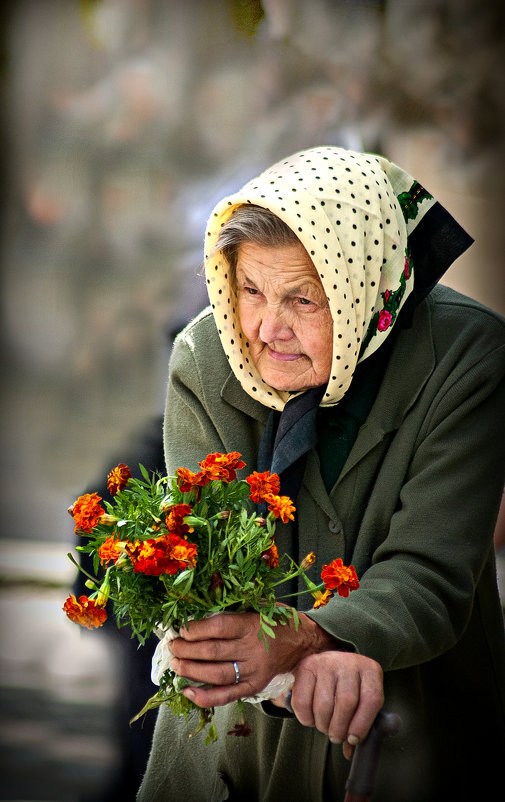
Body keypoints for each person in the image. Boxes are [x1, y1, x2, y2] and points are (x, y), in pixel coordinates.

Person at [136, 146, 505, 802]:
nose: (265, 329)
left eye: (301, 298)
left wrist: (314, 634)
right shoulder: (205, 355)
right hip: (227, 755)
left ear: (361, 285)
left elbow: (429, 572)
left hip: (405, 745)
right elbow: (206, 558)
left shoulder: (470, 359)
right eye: (249, 289)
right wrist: (209, 629)